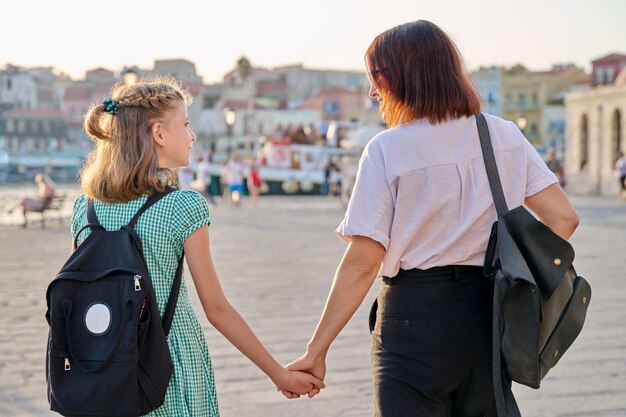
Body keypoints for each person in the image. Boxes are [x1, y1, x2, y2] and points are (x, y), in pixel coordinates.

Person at [286, 20, 579, 416]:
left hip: (414, 317)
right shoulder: (503, 135)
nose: (373, 91)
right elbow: (564, 219)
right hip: (486, 314)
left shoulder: (388, 149)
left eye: (376, 77)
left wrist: (316, 350)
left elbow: (363, 262)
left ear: (400, 77)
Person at [72, 76, 323, 416]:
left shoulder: (85, 209)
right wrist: (278, 373)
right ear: (159, 134)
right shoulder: (184, 206)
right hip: (169, 358)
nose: (192, 136)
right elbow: (217, 309)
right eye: (186, 125)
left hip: (105, 359)